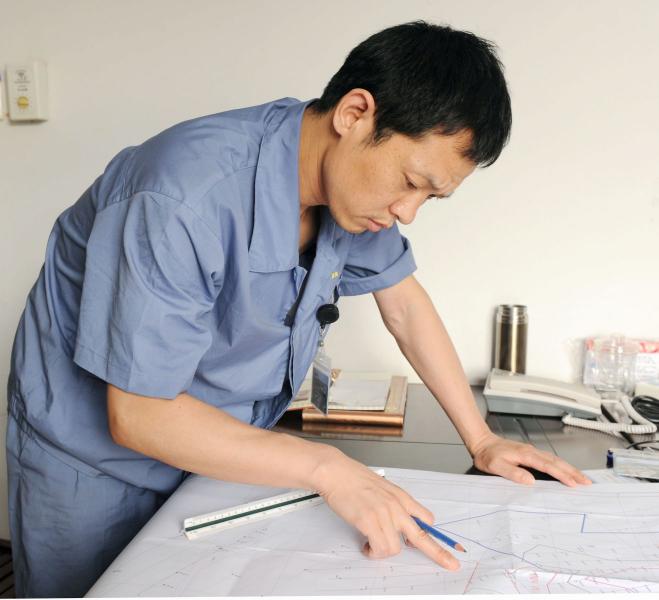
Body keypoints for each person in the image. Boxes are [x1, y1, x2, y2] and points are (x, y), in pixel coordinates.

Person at [6, 20, 591, 598]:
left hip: (218, 457)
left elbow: (405, 305)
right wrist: (327, 468)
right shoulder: (180, 195)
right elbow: (139, 414)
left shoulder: (351, 193)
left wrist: (481, 440)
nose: (408, 212)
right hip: (94, 468)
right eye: (412, 182)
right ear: (354, 114)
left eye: (430, 197)